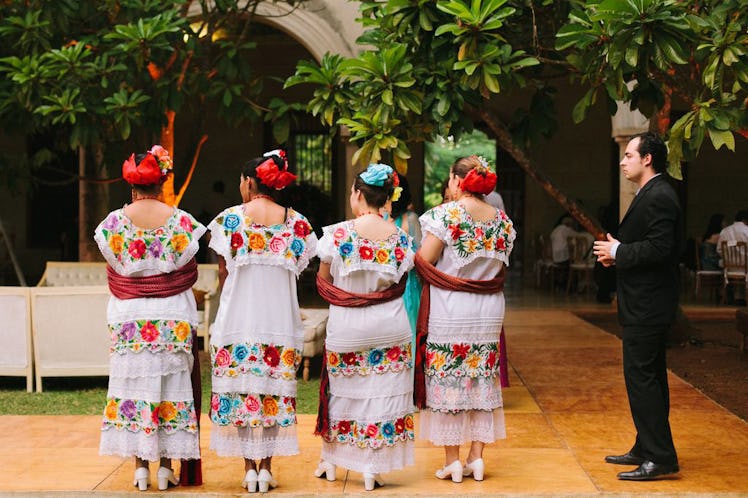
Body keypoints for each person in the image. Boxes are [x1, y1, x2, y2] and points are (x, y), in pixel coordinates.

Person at [95, 145, 206, 491]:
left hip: (129, 318)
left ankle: (141, 467)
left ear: (132, 187)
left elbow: (114, 272)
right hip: (171, 316)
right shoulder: (182, 222)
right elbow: (189, 273)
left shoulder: (112, 224)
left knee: (135, 388)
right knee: (171, 388)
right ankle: (166, 467)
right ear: (162, 185)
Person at [207, 150, 318, 493]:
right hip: (278, 322)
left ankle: (248, 469)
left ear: (249, 182)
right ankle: (266, 467)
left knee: (242, 391)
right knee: (272, 394)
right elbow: (301, 272)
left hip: (238, 319)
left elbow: (224, 274)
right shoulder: (297, 223)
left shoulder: (230, 220)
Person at [313, 163, 416, 491]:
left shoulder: (337, 234)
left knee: (343, 396)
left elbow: (324, 281)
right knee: (382, 394)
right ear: (387, 198)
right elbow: (400, 282)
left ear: (357, 194)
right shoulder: (400, 238)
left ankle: (332, 459)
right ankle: (373, 465)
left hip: (348, 326)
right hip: (390, 324)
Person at [414, 155, 515, 483]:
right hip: (488, 311)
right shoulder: (502, 221)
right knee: (482, 378)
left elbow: (424, 260)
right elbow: (499, 269)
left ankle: (453, 460)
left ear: (458, 182)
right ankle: (477, 457)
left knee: (450, 381)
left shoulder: (447, 215)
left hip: (451, 307)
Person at [593, 131, 682, 481]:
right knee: (649, 378)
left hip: (649, 305)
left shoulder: (660, 194)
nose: (622, 160)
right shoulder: (652, 192)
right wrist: (620, 252)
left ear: (648, 159)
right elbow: (649, 244)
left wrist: (619, 252)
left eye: (629, 155)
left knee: (643, 379)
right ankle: (648, 445)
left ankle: (659, 456)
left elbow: (662, 250)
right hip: (645, 302)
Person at [390, 173, 422, 337]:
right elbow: (420, 257)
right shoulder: (411, 219)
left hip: (388, 284)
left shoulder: (377, 218)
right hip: (408, 284)